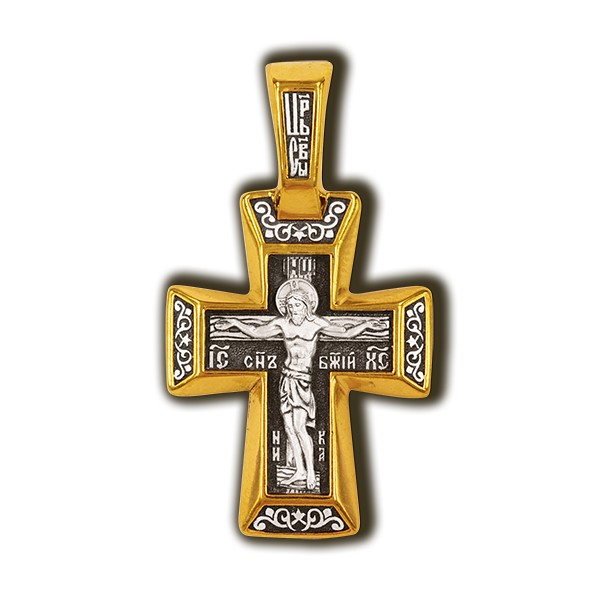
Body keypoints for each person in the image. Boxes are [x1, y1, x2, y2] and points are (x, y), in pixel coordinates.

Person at [214, 279, 386, 490]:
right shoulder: (282, 324)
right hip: (286, 378)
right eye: (289, 306)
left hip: (302, 380)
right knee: (288, 427)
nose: (293, 309)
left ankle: (311, 471)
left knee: (300, 427)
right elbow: (255, 331)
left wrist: (366, 325)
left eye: (297, 305)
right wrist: (233, 323)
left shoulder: (316, 324)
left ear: (306, 306)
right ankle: (300, 471)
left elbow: (345, 332)